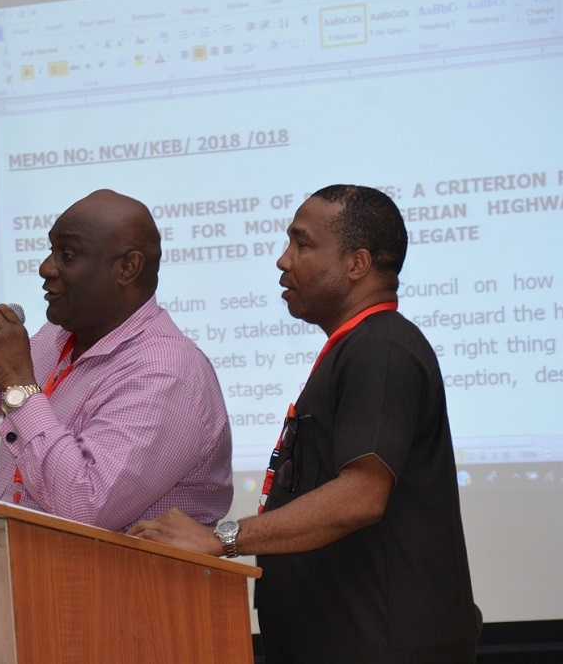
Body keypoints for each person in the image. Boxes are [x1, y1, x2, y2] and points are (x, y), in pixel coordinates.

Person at [129, 185, 482, 662]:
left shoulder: (380, 349)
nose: (283, 260)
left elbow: (361, 495)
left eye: (303, 244)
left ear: (357, 264)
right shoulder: (357, 347)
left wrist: (223, 538)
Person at [0, 189, 233, 533]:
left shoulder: (164, 372)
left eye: (67, 255)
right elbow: (0, 393)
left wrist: (17, 378)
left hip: (124, 600)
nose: (46, 268)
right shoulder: (65, 334)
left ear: (127, 267)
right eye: (50, 251)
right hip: (36, 582)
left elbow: (87, 504)